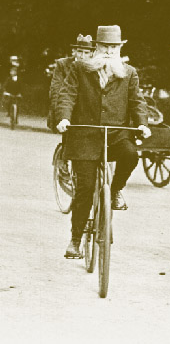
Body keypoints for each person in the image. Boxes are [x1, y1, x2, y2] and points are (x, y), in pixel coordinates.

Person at [56, 25, 151, 257]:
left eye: (114, 47)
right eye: (105, 46)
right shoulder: (80, 69)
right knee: (86, 188)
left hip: (116, 135)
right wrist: (64, 118)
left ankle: (115, 189)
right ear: (97, 47)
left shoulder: (128, 72)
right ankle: (75, 240)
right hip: (85, 136)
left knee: (131, 154)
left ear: (119, 48)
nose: (109, 51)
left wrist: (143, 123)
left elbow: (136, 101)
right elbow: (67, 94)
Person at [47, 34, 95, 132]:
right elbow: (56, 90)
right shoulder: (63, 64)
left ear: (92, 53)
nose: (82, 56)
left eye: (86, 53)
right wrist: (62, 116)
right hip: (67, 110)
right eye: (80, 52)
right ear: (74, 51)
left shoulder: (94, 66)